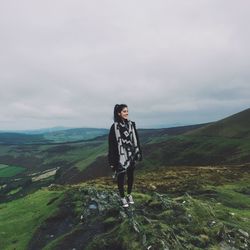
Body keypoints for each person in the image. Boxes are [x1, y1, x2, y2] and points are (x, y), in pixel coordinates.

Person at [108, 104, 142, 208]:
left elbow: (136, 139)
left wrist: (137, 152)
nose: (126, 113)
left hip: (131, 155)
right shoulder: (114, 127)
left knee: (131, 176)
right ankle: (122, 197)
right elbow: (112, 145)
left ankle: (129, 194)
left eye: (127, 111)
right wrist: (112, 161)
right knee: (121, 178)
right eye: (124, 111)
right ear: (119, 113)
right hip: (121, 157)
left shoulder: (132, 124)